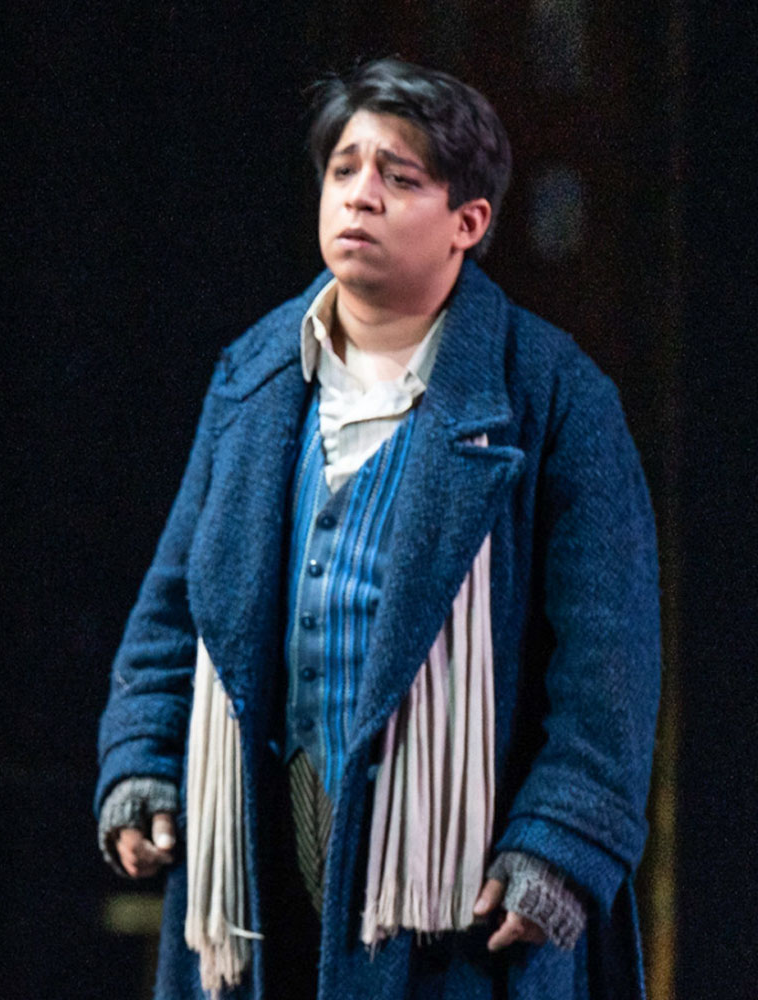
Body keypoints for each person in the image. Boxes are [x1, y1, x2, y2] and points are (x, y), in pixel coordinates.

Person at [95, 58, 658, 999]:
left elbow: (610, 660)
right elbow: (177, 605)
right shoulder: (254, 376)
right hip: (262, 856)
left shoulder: (551, 396)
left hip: (454, 886)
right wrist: (140, 762)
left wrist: (562, 842)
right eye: (344, 169)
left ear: (467, 222)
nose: (360, 195)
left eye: (400, 177)